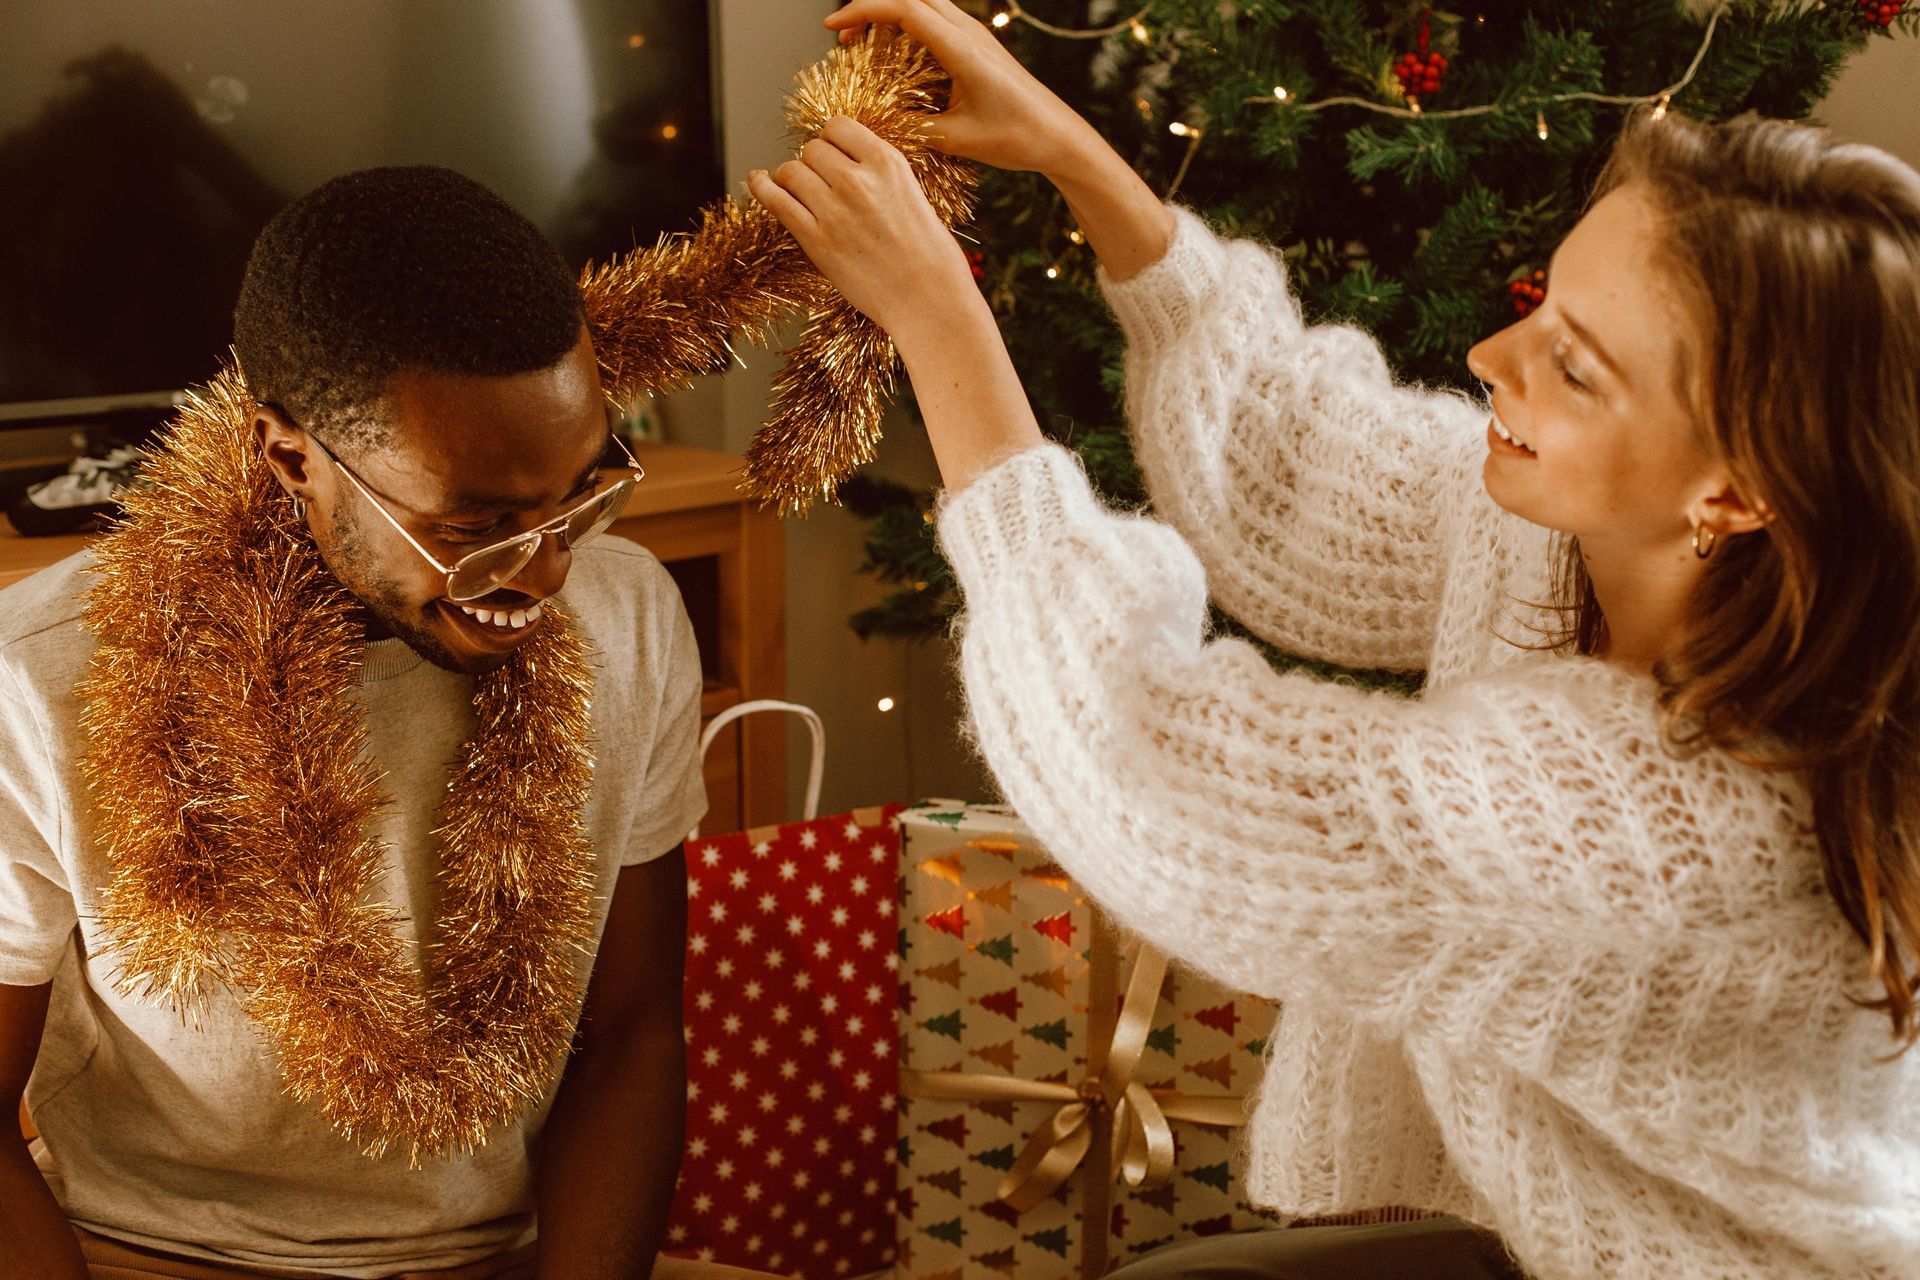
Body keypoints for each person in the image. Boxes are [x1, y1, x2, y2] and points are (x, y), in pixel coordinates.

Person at [745, 3, 1920, 1277]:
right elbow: (1294, 460)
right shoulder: (1580, 537)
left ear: (1738, 492)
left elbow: (1147, 766)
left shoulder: (1670, 817)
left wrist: (938, 317)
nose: (1491, 356)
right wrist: (1073, 154)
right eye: (1544, 305)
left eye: (1575, 370)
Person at [0, 168, 779, 1280]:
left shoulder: (630, 611)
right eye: (476, 523)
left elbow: (631, 1035)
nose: (547, 568)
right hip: (163, 1255)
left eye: (578, 495)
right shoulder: (40, 673)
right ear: (291, 459)